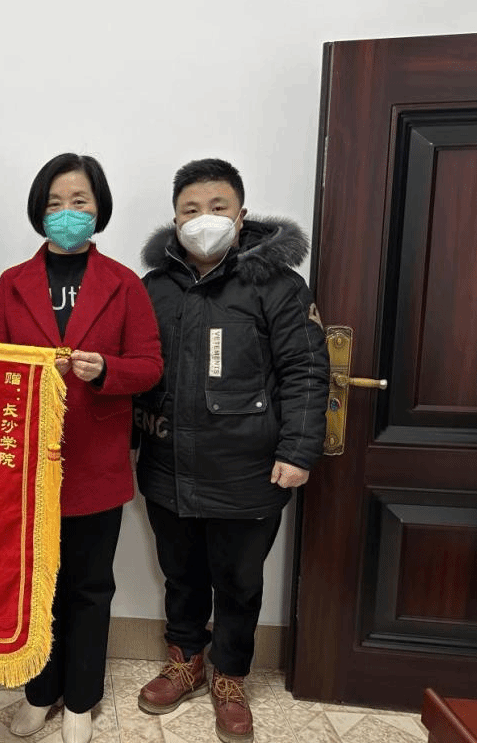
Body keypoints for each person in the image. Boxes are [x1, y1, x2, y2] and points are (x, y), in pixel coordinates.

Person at [135, 158, 329, 743]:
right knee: (181, 573)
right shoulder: (154, 288)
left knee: (239, 581)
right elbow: (136, 374)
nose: (204, 220)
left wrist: (298, 451)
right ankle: (185, 659)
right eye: (190, 210)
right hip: (168, 465)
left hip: (249, 469)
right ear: (175, 219)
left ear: (241, 215)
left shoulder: (278, 285)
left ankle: (230, 676)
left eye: (217, 207)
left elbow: (305, 369)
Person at [0, 153, 163, 743]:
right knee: (36, 587)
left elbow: (150, 366)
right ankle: (40, 693)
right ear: (39, 210)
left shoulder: (124, 283)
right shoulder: (12, 282)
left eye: (79, 201)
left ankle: (81, 699)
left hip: (96, 463)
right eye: (55, 203)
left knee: (89, 587)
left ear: (98, 208)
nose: (67, 212)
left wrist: (106, 369)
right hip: (27, 465)